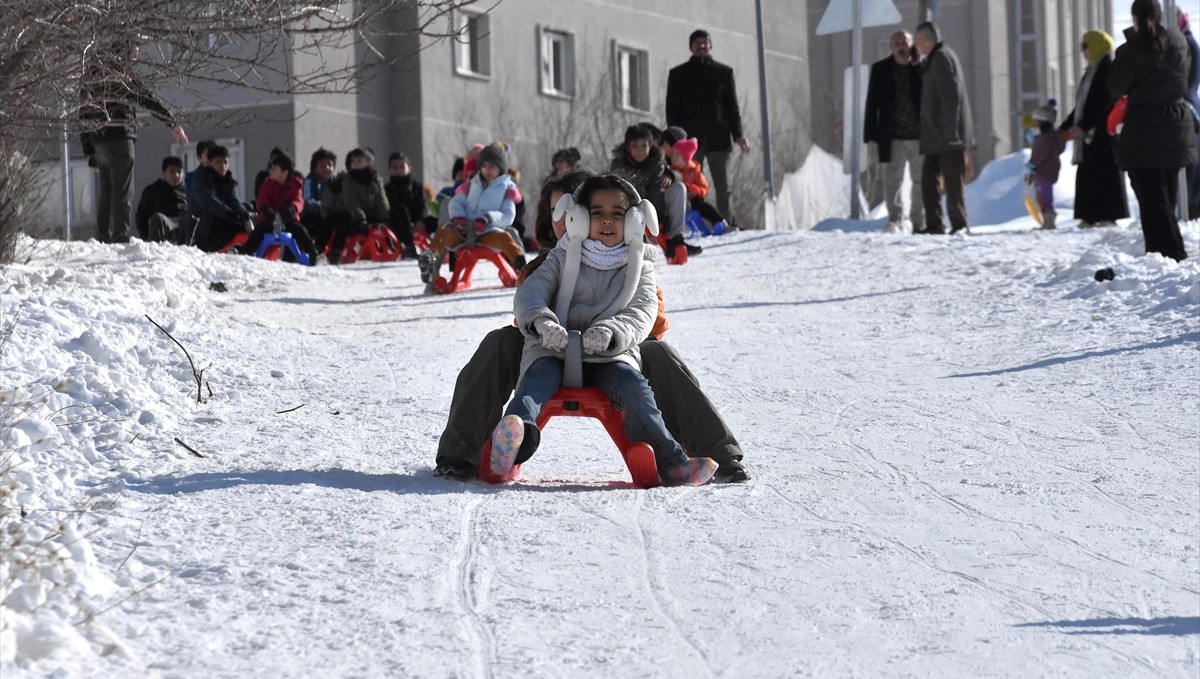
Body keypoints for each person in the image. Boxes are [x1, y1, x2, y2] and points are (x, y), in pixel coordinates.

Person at [434, 169, 749, 484]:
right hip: (550, 351)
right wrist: (543, 324)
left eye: (569, 213)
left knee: (660, 353)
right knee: (500, 342)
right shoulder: (546, 264)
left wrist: (616, 335)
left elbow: (649, 317)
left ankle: (716, 453)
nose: (564, 223)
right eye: (559, 215)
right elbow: (527, 311)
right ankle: (466, 452)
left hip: (615, 352)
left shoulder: (637, 265)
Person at [1107, 0, 1197, 262]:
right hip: (1176, 126)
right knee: (1165, 199)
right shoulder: (1178, 43)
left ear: (1134, 18)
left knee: (1152, 200)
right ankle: (1167, 255)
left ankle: (1168, 255)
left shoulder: (1132, 49)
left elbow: (1114, 85)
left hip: (1143, 130)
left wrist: (1131, 40)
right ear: (1159, 15)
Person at [79, 39, 188, 244]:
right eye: (134, 50)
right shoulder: (122, 75)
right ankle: (120, 235)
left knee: (106, 189)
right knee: (122, 189)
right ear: (124, 51)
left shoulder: (91, 77)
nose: (136, 54)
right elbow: (147, 98)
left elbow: (83, 115)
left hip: (99, 140)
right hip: (120, 136)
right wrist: (171, 121)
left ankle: (104, 235)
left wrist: (87, 149)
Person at [665, 29, 751, 226]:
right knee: (688, 184)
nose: (701, 45)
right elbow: (672, 108)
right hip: (688, 142)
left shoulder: (723, 72)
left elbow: (732, 107)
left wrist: (738, 135)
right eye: (697, 42)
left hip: (719, 137)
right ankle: (695, 222)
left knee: (723, 185)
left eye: (705, 42)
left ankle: (726, 222)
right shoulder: (678, 74)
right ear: (691, 47)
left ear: (710, 45)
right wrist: (673, 141)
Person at [418, 142, 526, 283]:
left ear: (500, 168)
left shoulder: (507, 188)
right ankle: (429, 258)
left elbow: (508, 215)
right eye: (484, 166)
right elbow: (456, 202)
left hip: (488, 231)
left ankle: (521, 267)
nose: (487, 170)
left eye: (492, 166)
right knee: (444, 232)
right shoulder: (471, 184)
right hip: (463, 230)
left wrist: (488, 217)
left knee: (505, 238)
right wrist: (459, 216)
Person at [1060, 30, 1129, 228]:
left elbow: (1103, 102)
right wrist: (1066, 126)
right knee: (1089, 174)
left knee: (1104, 173)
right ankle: (1089, 215)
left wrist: (1082, 126)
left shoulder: (1107, 69)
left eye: (1085, 46)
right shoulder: (1091, 71)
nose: (1083, 51)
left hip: (1102, 133)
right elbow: (1082, 105)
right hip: (1090, 135)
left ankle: (1108, 215)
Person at [913, 21, 974, 235]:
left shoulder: (941, 57)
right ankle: (934, 224)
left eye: (917, 41)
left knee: (952, 181)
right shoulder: (935, 58)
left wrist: (950, 134)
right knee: (929, 179)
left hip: (948, 136)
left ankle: (959, 225)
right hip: (937, 136)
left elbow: (951, 97)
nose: (915, 45)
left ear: (927, 40)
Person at [864, 31, 924, 234]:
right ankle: (896, 219)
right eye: (897, 43)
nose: (901, 47)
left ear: (912, 45)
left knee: (920, 181)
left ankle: (918, 221)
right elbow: (872, 103)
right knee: (891, 180)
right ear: (892, 47)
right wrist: (870, 134)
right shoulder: (880, 70)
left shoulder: (922, 68)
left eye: (904, 43)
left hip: (919, 136)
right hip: (892, 137)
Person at [610, 123, 700, 256]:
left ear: (650, 145)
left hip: (658, 209)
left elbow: (675, 172)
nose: (640, 151)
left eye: (644, 146)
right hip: (632, 213)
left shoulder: (657, 159)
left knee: (678, 188)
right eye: (635, 147)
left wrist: (670, 175)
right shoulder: (620, 165)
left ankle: (676, 238)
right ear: (628, 148)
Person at [242, 150, 318, 264]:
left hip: (287, 220)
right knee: (257, 232)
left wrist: (292, 209)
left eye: (274, 169)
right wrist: (265, 209)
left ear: (284, 172)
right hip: (269, 221)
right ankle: (245, 252)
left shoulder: (295, 185)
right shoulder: (267, 185)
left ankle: (313, 254)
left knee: (300, 231)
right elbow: (262, 199)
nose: (270, 171)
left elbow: (298, 201)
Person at [323, 147, 390, 265]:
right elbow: (352, 203)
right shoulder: (347, 180)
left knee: (399, 212)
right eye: (353, 161)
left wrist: (385, 217)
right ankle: (335, 252)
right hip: (355, 217)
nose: (354, 164)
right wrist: (361, 219)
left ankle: (405, 247)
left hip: (371, 215)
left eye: (359, 161)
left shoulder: (375, 178)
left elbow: (381, 199)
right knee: (344, 218)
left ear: (368, 162)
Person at [188, 145, 253, 252]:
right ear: (209, 162)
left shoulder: (228, 180)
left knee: (245, 216)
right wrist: (228, 213)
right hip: (204, 225)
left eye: (225, 162)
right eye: (218, 162)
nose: (223, 166)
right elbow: (208, 201)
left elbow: (234, 199)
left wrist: (242, 212)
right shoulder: (201, 178)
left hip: (223, 219)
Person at [664, 134, 729, 234]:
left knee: (705, 207)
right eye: (672, 154)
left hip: (693, 200)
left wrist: (692, 189)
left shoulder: (694, 171)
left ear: (685, 157)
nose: (673, 157)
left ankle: (718, 223)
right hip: (676, 202)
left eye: (677, 155)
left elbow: (705, 189)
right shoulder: (670, 170)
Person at [1026, 101, 1066, 230]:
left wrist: (1031, 166)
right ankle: (1046, 220)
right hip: (1047, 171)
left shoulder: (1044, 139)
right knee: (1042, 196)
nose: (1032, 125)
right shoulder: (1050, 137)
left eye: (1035, 122)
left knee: (1045, 197)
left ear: (1043, 122)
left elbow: (1039, 156)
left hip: (1044, 171)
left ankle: (1049, 221)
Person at [384, 152, 428, 258]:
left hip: (415, 219)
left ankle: (443, 249)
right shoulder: (387, 189)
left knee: (436, 220)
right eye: (395, 168)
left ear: (409, 168)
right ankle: (410, 247)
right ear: (390, 170)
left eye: (402, 167)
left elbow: (421, 205)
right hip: (396, 221)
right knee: (401, 210)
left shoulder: (416, 187)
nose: (398, 170)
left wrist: (420, 220)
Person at [134, 156, 187, 243]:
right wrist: (146, 237)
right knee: (157, 218)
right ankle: (155, 250)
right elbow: (141, 216)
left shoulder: (188, 191)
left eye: (179, 172)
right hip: (165, 225)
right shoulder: (153, 190)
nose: (176, 175)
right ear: (163, 173)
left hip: (183, 225)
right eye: (172, 172)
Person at [1178, 9, 1200, 215]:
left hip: (1187, 106)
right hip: (1188, 104)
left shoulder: (1187, 44)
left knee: (1190, 161)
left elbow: (1189, 81)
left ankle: (1191, 205)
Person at [302, 147, 337, 253]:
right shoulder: (310, 181)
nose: (326, 168)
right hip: (312, 216)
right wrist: (325, 207)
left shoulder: (336, 181)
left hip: (330, 216)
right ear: (314, 168)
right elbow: (307, 200)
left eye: (329, 165)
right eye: (322, 165)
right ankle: (318, 249)